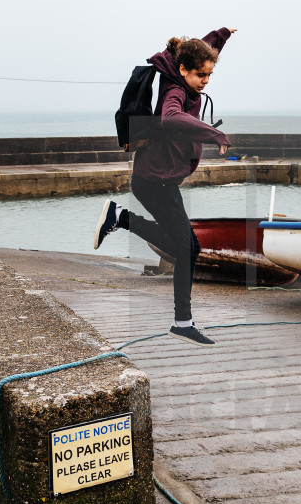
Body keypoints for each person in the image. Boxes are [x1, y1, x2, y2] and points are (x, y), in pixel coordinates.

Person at [93, 27, 235, 345]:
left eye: (210, 75)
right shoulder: (176, 92)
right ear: (182, 69)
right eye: (201, 75)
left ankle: (182, 321)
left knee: (189, 250)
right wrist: (215, 135)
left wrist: (223, 34)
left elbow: (206, 48)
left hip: (159, 179)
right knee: (187, 251)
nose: (206, 81)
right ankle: (122, 219)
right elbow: (170, 118)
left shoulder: (185, 68)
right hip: (154, 181)